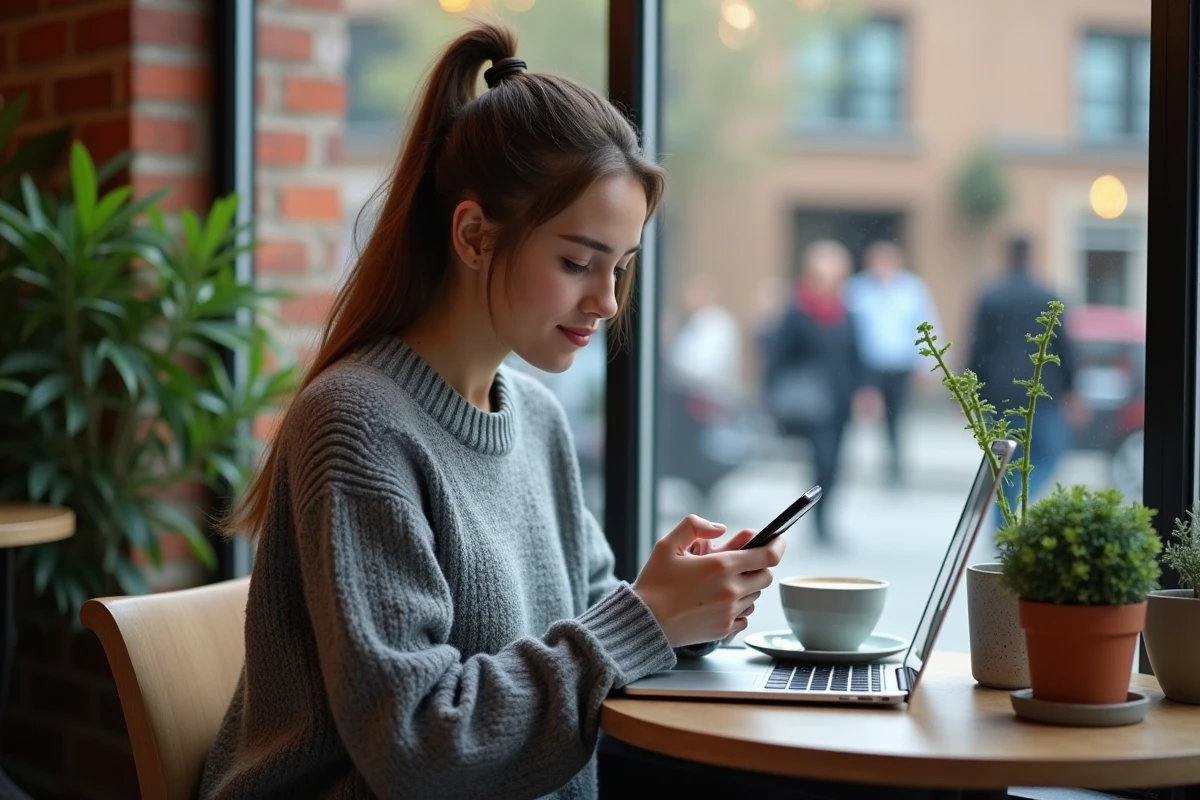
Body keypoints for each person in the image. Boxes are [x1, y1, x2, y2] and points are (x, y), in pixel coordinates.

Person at [200, 22, 785, 800]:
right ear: (474, 234)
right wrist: (644, 617)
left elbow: (588, 628)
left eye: (621, 267)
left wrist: (682, 600)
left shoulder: (536, 417)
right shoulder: (356, 424)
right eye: (578, 261)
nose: (606, 301)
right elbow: (414, 744)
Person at [763, 240, 866, 547]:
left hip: (840, 400)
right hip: (811, 404)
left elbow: (856, 355)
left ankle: (826, 517)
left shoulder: (846, 312)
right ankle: (819, 522)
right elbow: (778, 356)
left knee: (835, 464)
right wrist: (772, 394)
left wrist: (865, 389)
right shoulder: (797, 311)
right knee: (823, 461)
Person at [969, 235, 1079, 522]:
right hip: (1043, 392)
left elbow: (978, 349)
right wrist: (1072, 388)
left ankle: (1002, 528)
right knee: (1050, 455)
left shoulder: (991, 297)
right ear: (1030, 256)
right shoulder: (1049, 296)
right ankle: (1017, 504)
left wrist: (971, 396)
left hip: (1000, 393)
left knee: (1004, 466)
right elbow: (1064, 348)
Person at [846, 240, 940, 483]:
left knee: (896, 416)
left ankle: (895, 465)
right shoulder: (857, 289)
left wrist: (926, 364)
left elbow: (924, 325)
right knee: (864, 414)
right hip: (867, 363)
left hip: (899, 363)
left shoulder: (912, 289)